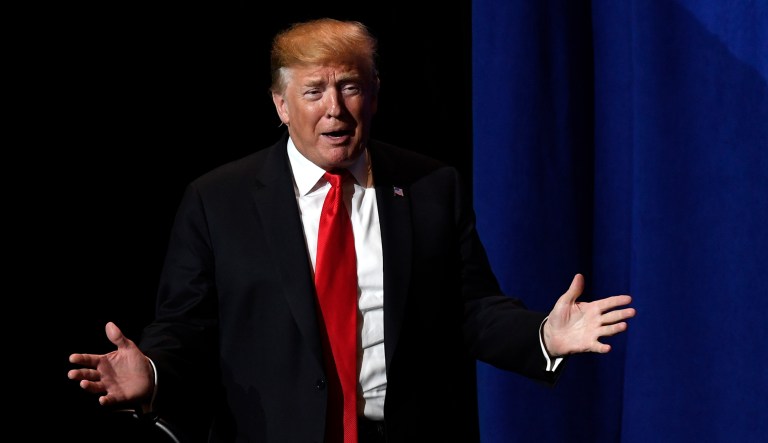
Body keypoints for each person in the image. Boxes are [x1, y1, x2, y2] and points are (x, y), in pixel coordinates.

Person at [67, 17, 636, 443]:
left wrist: (543, 336)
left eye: (350, 86)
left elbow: (471, 308)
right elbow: (186, 325)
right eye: (314, 91)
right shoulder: (219, 200)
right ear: (280, 105)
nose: (334, 109)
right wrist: (154, 373)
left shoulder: (431, 186)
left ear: (376, 93)